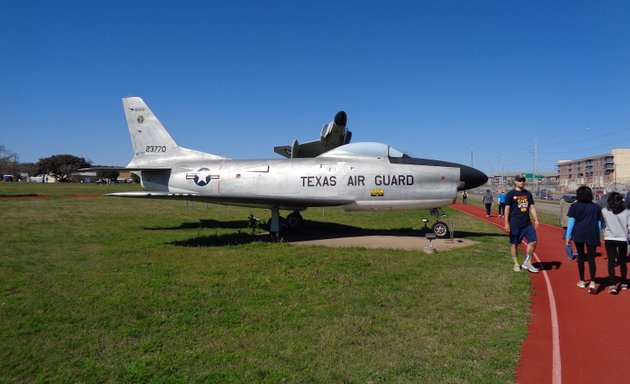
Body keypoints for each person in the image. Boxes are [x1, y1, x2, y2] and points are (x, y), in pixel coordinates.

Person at [565, 186, 603, 293]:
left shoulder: (574, 206)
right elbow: (599, 223)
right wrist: (598, 235)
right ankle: (593, 281)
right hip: (592, 233)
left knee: (581, 257)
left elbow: (571, 223)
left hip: (579, 233)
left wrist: (568, 237)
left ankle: (581, 280)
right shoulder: (596, 207)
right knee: (591, 258)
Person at [504, 175, 540, 273]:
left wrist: (536, 220)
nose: (522, 182)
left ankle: (527, 262)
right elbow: (507, 209)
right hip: (515, 224)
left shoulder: (527, 194)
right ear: (515, 182)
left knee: (533, 242)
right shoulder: (510, 194)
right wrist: (506, 223)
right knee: (514, 244)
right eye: (520, 181)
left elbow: (532, 207)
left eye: (523, 181)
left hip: (527, 223)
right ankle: (516, 263)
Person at [601, 192, 630, 294]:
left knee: (611, 261)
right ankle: (623, 283)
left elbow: (603, 223)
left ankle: (613, 285)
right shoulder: (627, 212)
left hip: (610, 238)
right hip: (622, 239)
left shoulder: (604, 211)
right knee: (622, 261)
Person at [559, 194, 577, 260]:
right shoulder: (576, 201)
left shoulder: (562, 200)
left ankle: (569, 256)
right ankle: (577, 251)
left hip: (565, 222)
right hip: (574, 221)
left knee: (567, 238)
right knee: (576, 238)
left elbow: (561, 209)